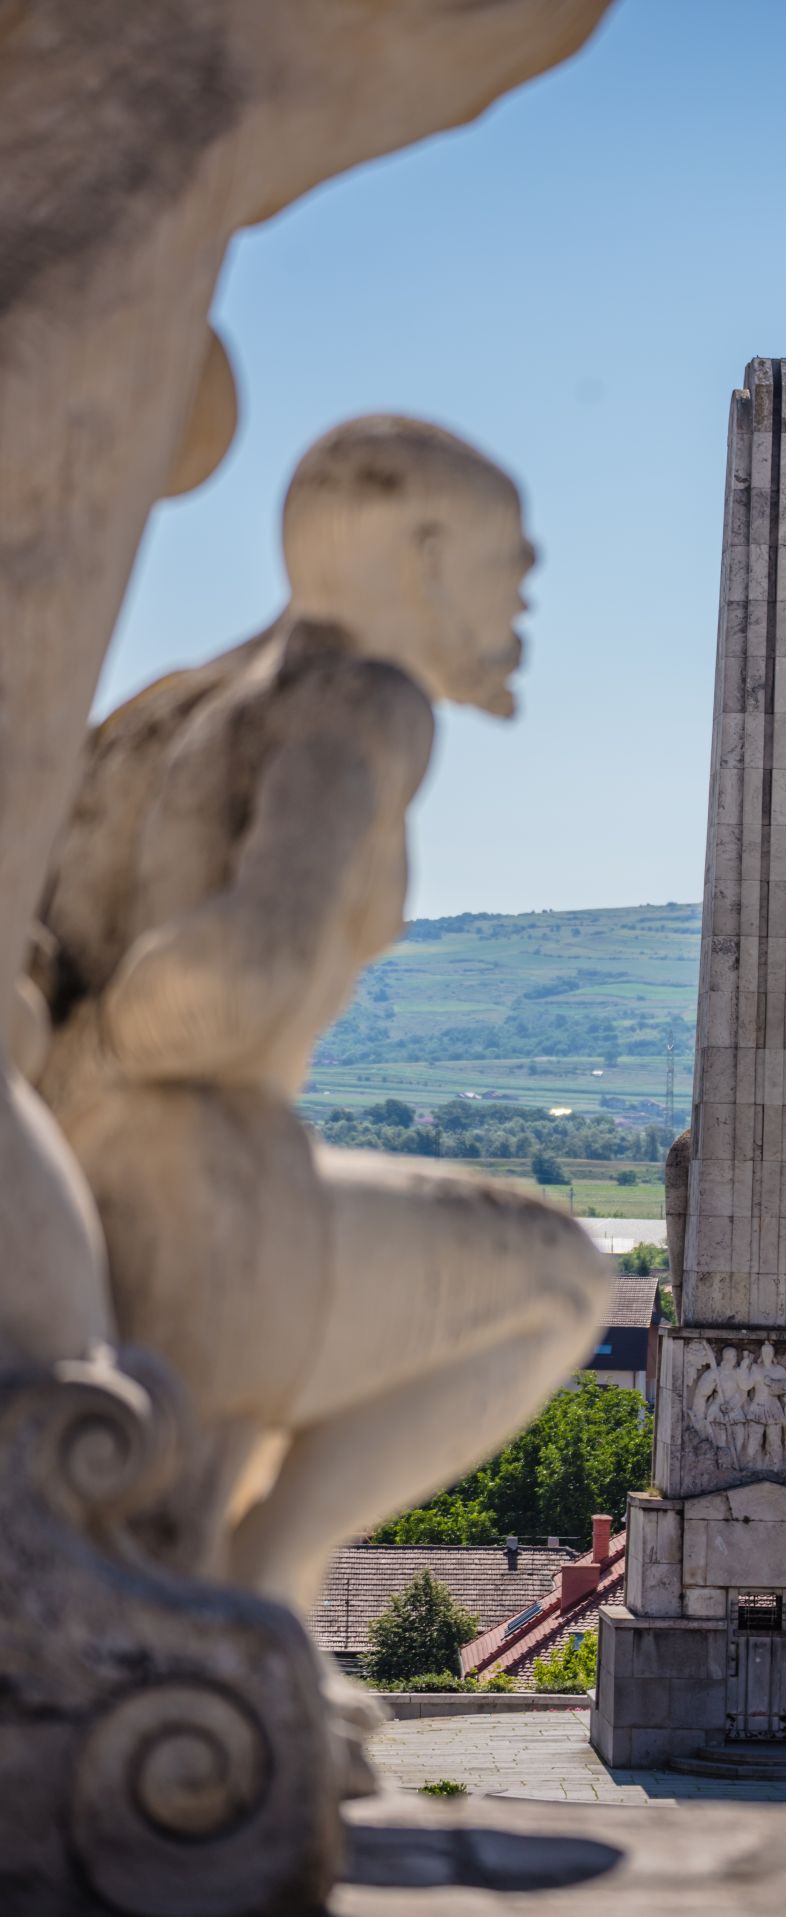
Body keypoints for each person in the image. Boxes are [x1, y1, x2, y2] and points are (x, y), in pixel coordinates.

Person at [34, 416, 608, 1620]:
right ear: (426, 551)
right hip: (208, 1200)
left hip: (77, 1181)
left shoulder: (171, 705)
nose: (523, 602)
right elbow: (241, 981)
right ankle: (273, 1585)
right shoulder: (364, 706)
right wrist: (128, 1050)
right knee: (559, 1280)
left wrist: (78, 1081)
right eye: (513, 564)